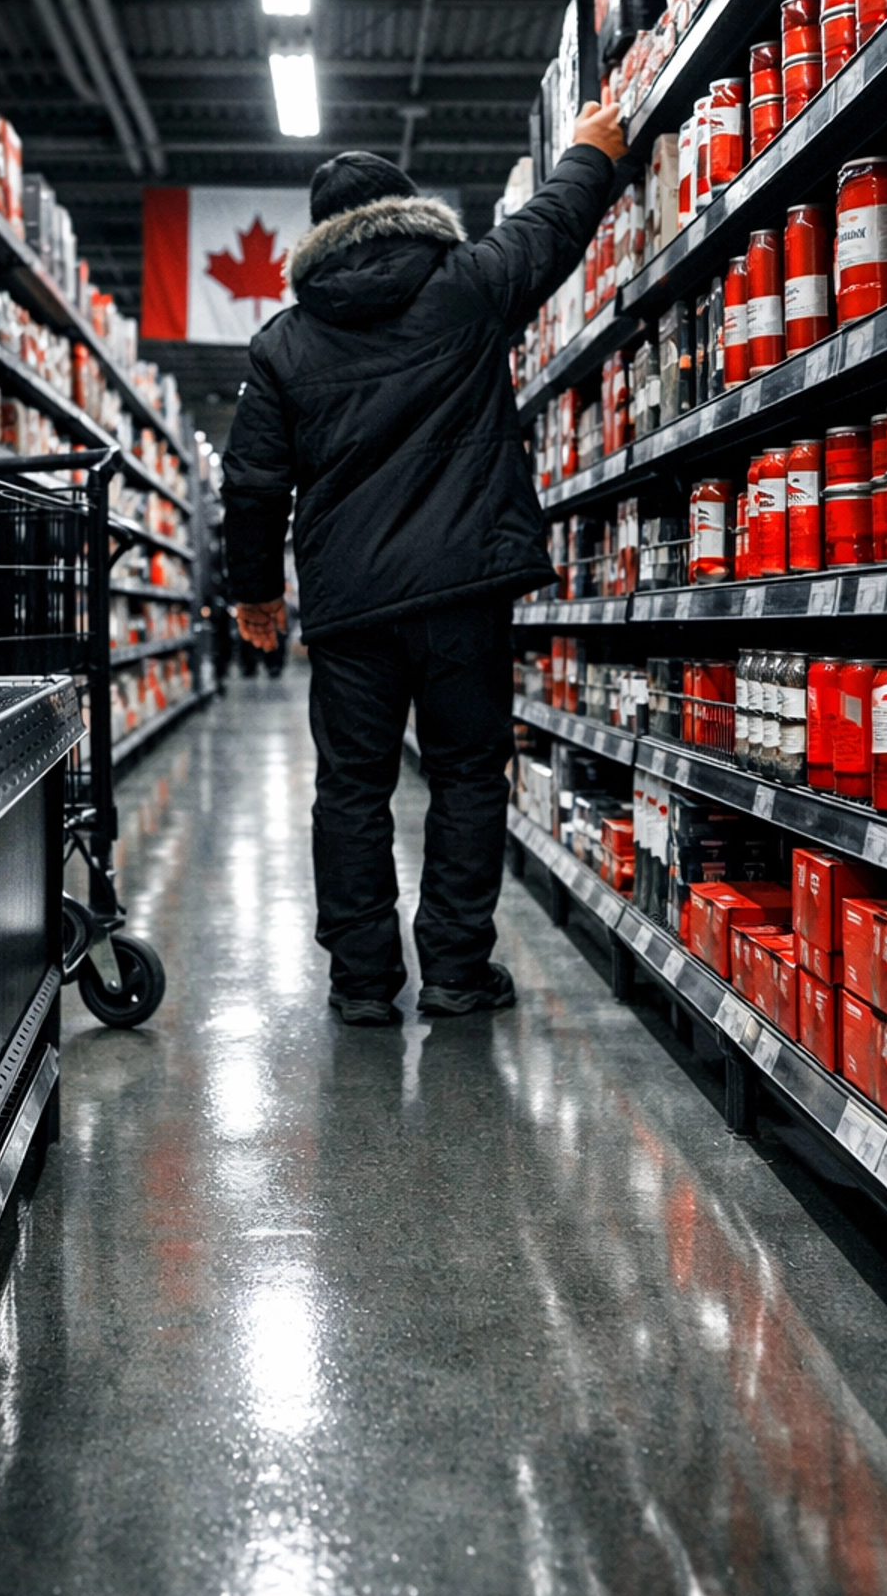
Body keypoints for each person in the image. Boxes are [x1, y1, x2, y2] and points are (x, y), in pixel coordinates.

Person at [222, 103, 627, 1025]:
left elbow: (251, 482)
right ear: (411, 214)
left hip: (350, 606)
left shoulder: (282, 343)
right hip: (463, 588)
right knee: (468, 774)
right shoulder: (468, 284)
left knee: (351, 788)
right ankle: (455, 970)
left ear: (318, 239)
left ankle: (363, 981)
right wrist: (589, 154)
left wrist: (255, 594)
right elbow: (552, 227)